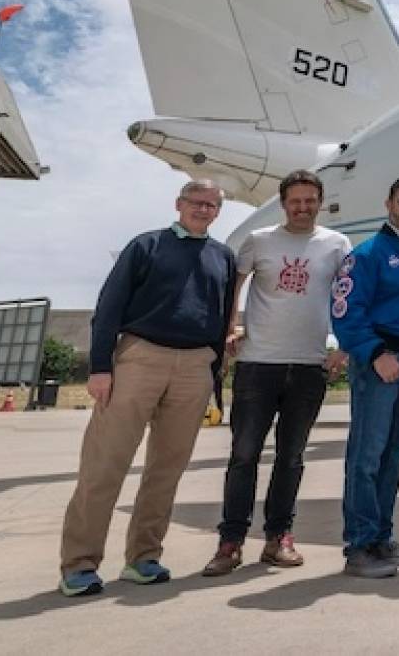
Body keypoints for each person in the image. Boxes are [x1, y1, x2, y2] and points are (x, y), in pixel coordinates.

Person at [58, 180, 237, 597]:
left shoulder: (223, 257)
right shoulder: (146, 245)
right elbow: (109, 306)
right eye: (197, 202)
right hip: (140, 358)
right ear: (179, 204)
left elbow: (221, 317)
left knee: (167, 470)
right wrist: (100, 367)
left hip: (195, 366)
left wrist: (214, 379)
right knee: (105, 465)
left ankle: (143, 558)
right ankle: (80, 563)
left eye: (212, 205)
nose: (204, 209)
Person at [203, 170, 353, 577]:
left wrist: (344, 344)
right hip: (258, 364)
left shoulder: (337, 244)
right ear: (284, 203)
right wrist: (230, 326)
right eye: (295, 201)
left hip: (309, 365)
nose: (302, 208)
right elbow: (235, 285)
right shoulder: (260, 240)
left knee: (291, 457)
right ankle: (231, 541)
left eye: (310, 201)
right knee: (244, 455)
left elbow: (347, 297)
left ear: (319, 202)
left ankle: (278, 538)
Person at [332, 174, 399, 579]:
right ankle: (359, 547)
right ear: (389, 204)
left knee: (395, 456)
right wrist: (375, 354)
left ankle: (381, 539)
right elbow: (345, 310)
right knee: (366, 457)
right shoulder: (367, 254)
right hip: (380, 365)